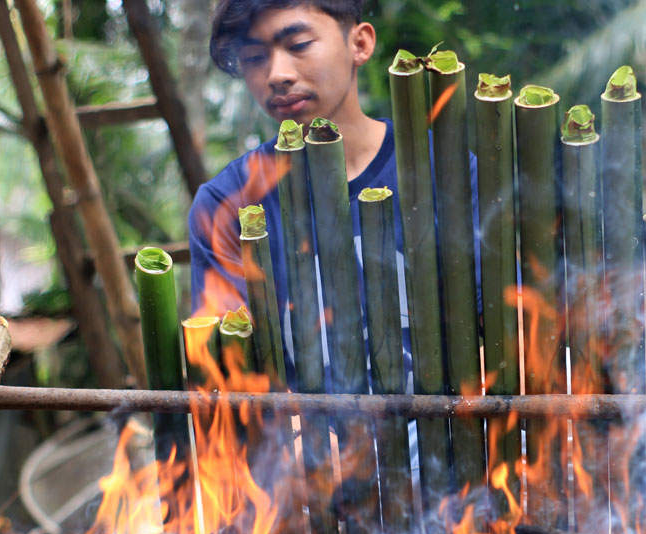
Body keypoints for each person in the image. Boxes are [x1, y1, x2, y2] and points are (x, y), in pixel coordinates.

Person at [188, 0, 478, 390]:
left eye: (299, 45)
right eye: (254, 57)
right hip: (299, 445)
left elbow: (496, 331)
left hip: (448, 438)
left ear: (359, 43)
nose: (277, 75)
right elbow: (231, 377)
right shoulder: (225, 205)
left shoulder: (446, 168)